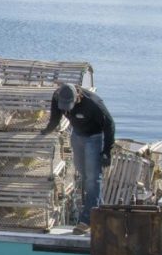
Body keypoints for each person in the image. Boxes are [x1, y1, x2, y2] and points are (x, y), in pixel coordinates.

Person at [42, 83, 115, 235]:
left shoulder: (93, 103)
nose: (66, 110)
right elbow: (55, 119)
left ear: (78, 97)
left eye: (69, 105)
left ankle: (87, 220)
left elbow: (110, 125)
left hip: (94, 138)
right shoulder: (57, 96)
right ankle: (102, 214)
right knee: (83, 174)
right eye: (64, 106)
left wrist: (107, 150)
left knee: (93, 179)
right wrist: (44, 133)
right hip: (77, 136)